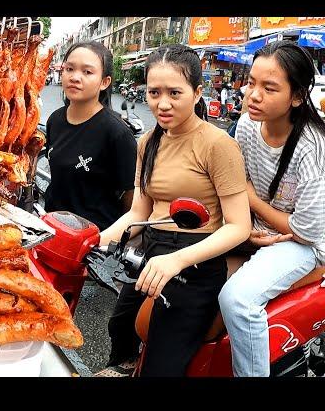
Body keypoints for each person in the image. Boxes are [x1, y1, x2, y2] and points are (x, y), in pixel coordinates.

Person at [96, 43, 251, 377]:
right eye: (154, 92)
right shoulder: (148, 141)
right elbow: (140, 210)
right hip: (152, 250)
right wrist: (95, 239)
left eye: (174, 93)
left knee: (162, 364)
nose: (161, 104)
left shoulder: (218, 144)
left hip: (195, 260)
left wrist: (179, 259)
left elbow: (239, 226)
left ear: (197, 93)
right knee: (120, 326)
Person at [218, 41, 325, 377]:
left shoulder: (313, 147)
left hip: (306, 245)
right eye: (251, 82)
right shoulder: (248, 125)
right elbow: (234, 182)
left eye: (269, 87)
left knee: (237, 301)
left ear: (296, 96)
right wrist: (244, 221)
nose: (253, 95)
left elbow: (306, 231)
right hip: (257, 228)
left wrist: (250, 200)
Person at [43, 41, 137, 232]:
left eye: (87, 72)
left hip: (94, 240)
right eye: (69, 69)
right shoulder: (55, 120)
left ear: (104, 82)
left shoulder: (117, 132)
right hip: (52, 229)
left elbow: (131, 196)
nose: (75, 77)